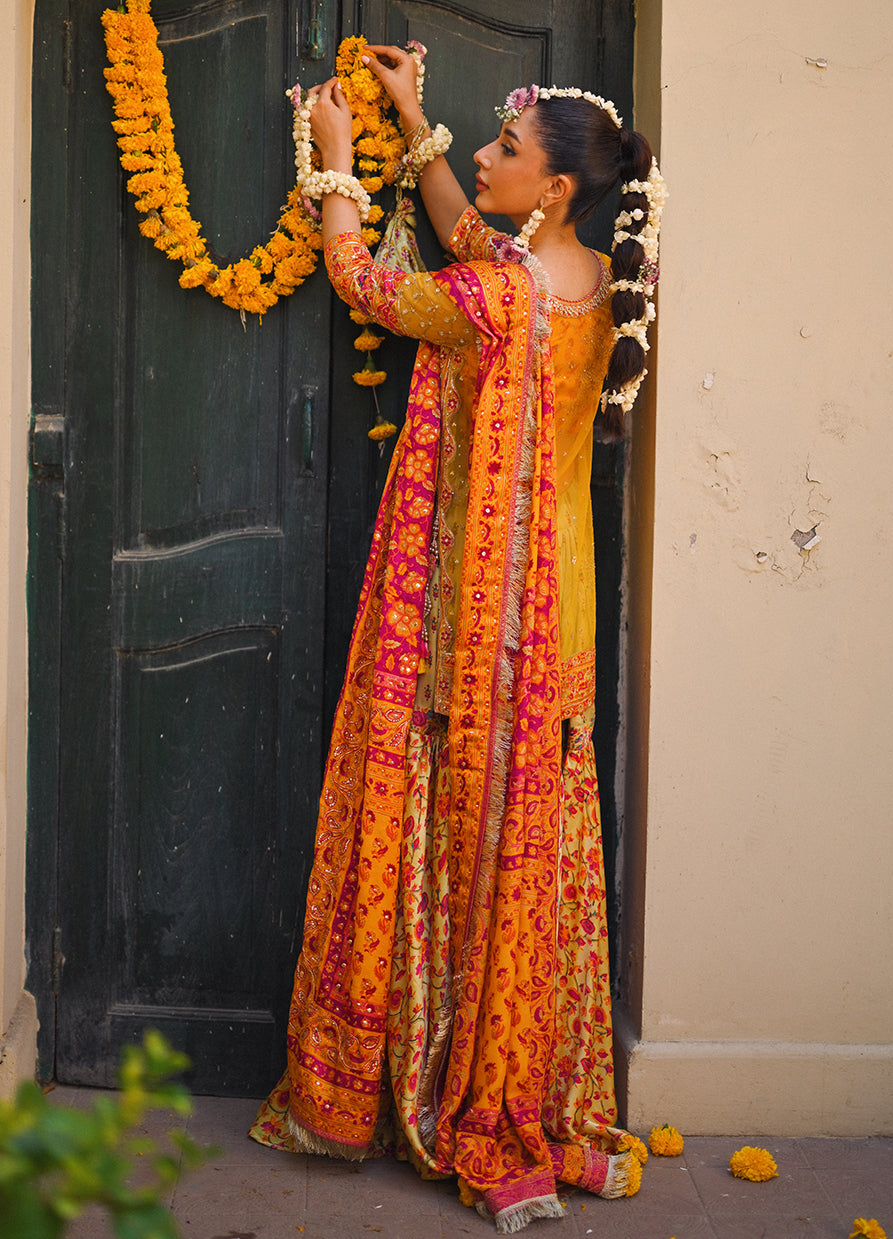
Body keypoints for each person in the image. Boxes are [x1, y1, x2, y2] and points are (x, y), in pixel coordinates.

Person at [250, 42, 665, 1233]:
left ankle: (448, 1091)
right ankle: (518, 1081)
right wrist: (413, 115)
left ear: (554, 187)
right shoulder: (587, 280)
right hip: (554, 625)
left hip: (474, 627)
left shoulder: (490, 300)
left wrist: (335, 156)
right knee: (523, 855)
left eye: (505, 148)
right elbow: (468, 233)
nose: (482, 156)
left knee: (461, 844)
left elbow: (363, 280)